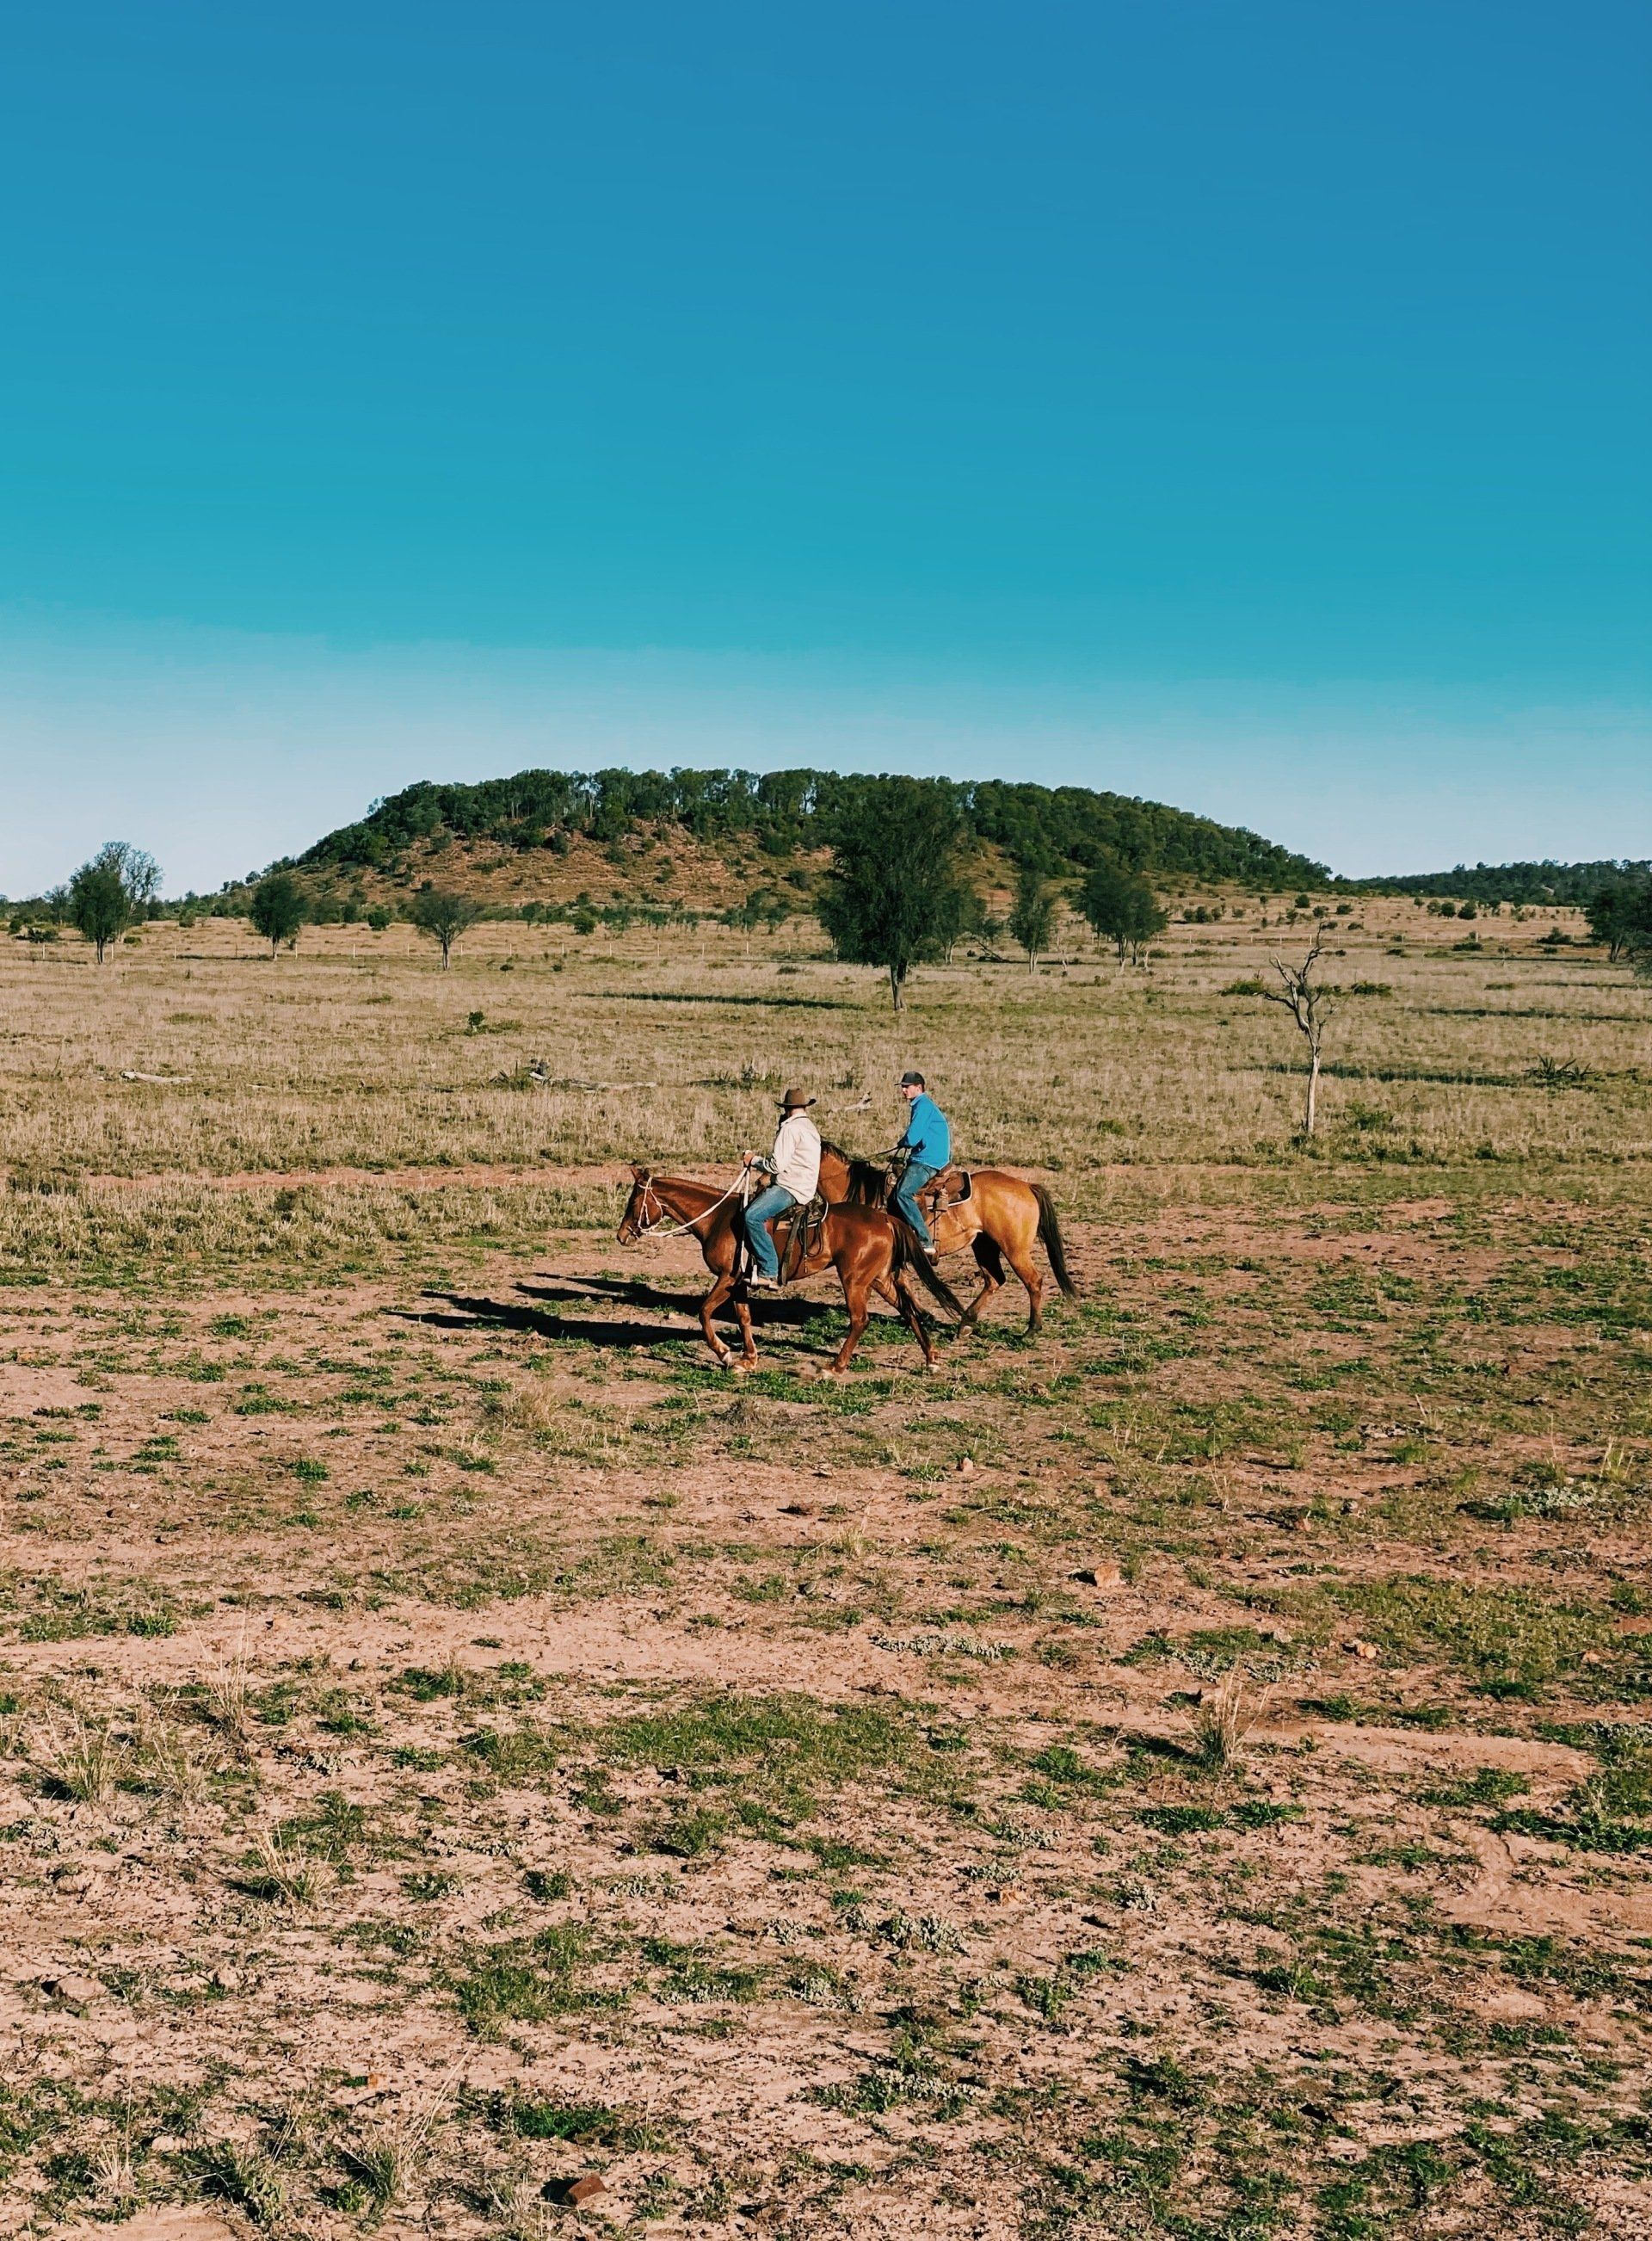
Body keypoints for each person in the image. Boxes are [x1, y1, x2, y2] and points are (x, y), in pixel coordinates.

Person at [741, 1087, 822, 1290]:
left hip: (790, 1187)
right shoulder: (809, 1127)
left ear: (787, 1109)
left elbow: (776, 1165)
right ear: (804, 1107)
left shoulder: (790, 1129)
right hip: (806, 1185)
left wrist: (754, 1160)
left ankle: (768, 1270)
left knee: (752, 1216)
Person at [886, 1070, 952, 1257]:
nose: (904, 1091)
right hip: (929, 1157)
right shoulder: (922, 1105)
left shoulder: (922, 1106)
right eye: (903, 1088)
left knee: (903, 1193)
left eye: (907, 1087)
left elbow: (913, 1138)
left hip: (928, 1160)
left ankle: (924, 1240)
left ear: (918, 1088)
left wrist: (903, 1142)